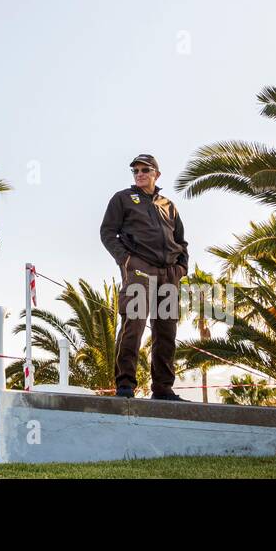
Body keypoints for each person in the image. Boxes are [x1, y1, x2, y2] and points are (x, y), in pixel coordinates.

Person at [99, 153, 189, 400]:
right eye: (136, 171)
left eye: (144, 170)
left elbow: (181, 241)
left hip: (169, 273)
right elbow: (107, 233)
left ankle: (163, 389)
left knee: (166, 331)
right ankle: (125, 385)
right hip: (139, 268)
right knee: (134, 324)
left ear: (156, 175)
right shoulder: (123, 199)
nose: (139, 174)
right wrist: (126, 260)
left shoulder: (168, 205)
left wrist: (182, 268)